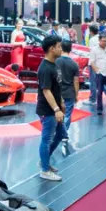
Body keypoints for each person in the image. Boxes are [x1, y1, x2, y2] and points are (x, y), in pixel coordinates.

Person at [36, 35, 68, 182]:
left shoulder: (54, 64)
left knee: (61, 134)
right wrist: (56, 109)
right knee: (47, 139)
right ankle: (44, 169)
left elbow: (56, 88)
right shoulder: (45, 68)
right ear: (51, 49)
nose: (61, 49)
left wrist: (61, 103)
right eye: (59, 46)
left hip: (55, 108)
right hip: (47, 110)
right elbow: (46, 90)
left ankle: (44, 161)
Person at [56, 39, 81, 156]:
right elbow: (76, 81)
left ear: (61, 48)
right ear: (70, 49)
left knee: (57, 114)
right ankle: (63, 136)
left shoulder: (56, 62)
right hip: (69, 93)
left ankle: (59, 134)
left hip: (57, 93)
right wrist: (76, 94)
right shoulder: (74, 64)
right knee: (67, 115)